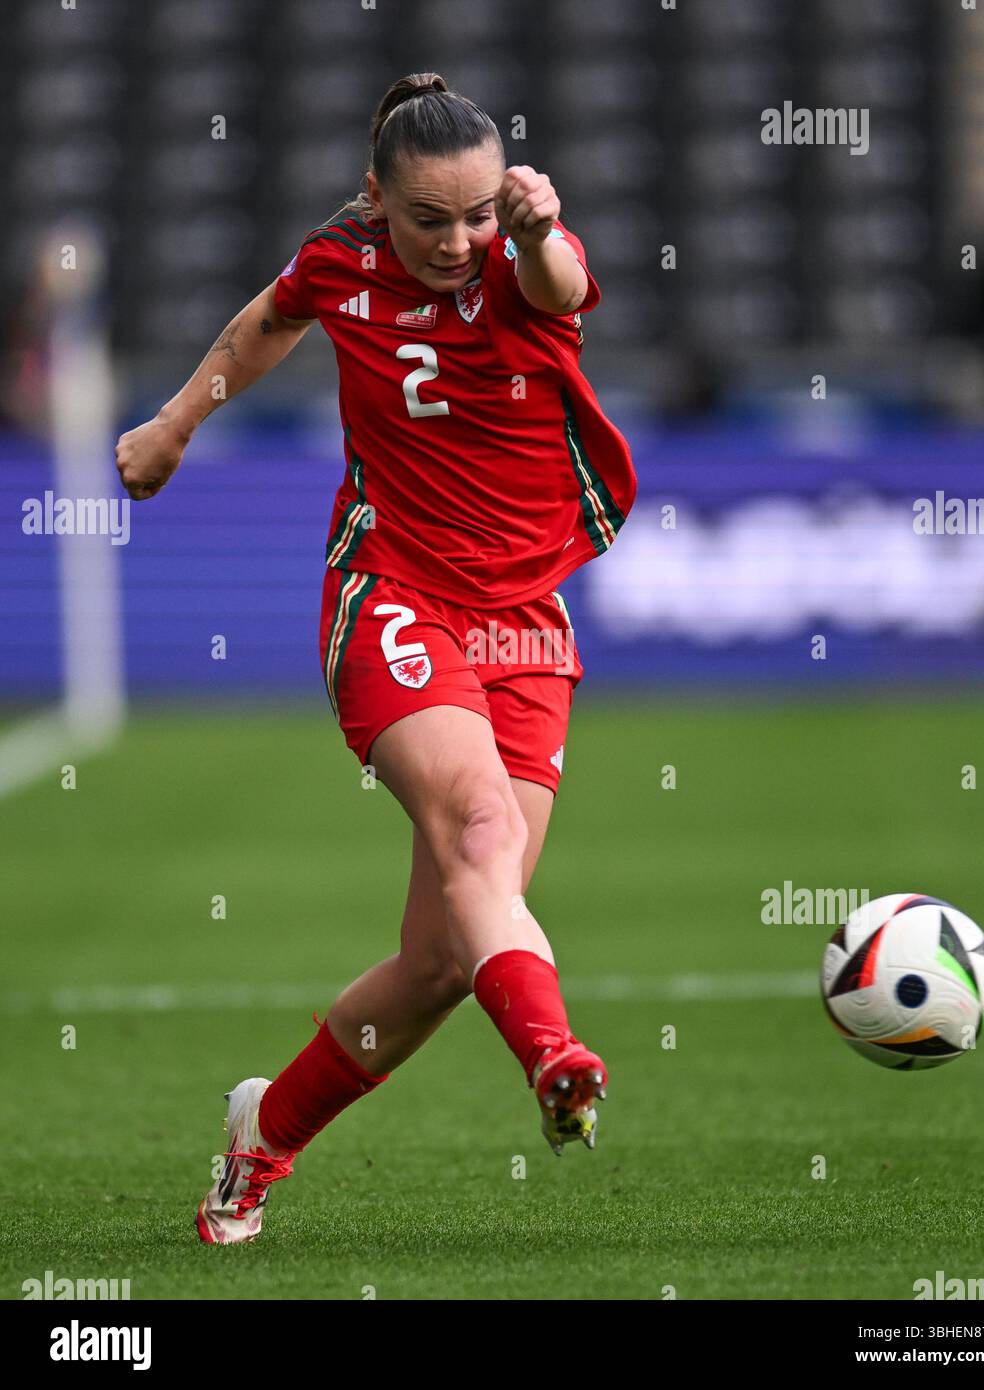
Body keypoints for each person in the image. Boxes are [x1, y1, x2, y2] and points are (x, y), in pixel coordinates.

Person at [115, 71, 637, 1245]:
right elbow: (265, 326)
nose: (456, 243)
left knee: (449, 954)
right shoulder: (340, 261)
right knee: (479, 832)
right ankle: (554, 1057)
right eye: (426, 220)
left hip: (522, 620)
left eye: (473, 214)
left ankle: (266, 1133)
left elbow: (562, 291)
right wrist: (176, 422)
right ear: (375, 201)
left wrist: (540, 228)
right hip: (389, 591)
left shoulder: (518, 253)